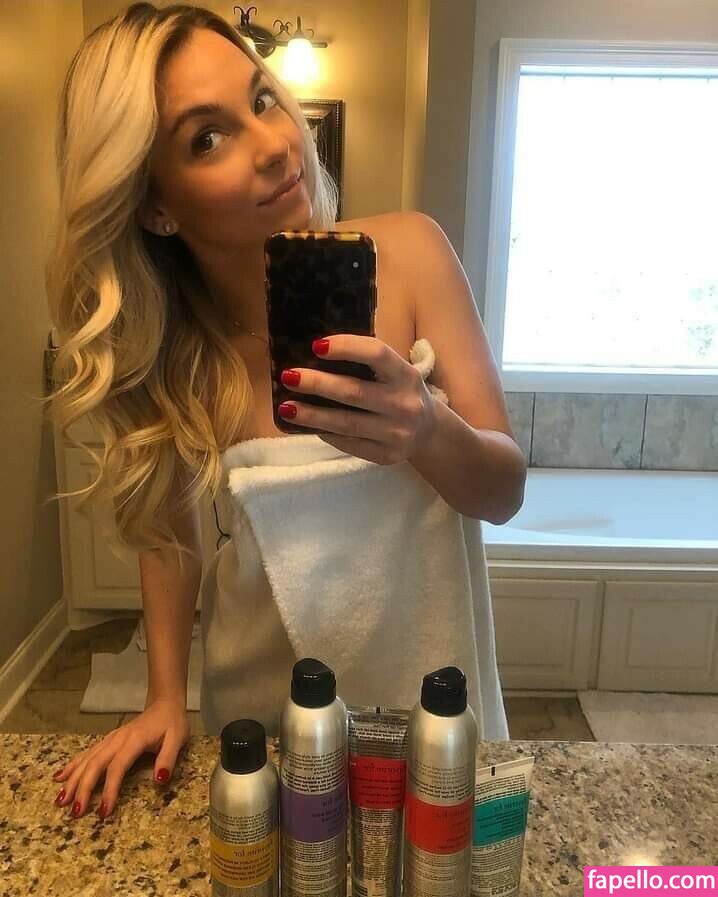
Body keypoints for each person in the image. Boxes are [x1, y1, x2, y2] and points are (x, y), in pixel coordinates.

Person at [45, 2, 526, 823]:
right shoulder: (177, 349)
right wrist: (164, 696)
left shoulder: (413, 253)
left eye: (261, 99)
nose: (274, 144)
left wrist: (425, 428)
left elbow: (504, 491)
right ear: (156, 206)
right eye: (207, 137)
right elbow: (168, 540)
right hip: (261, 714)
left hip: (427, 704)